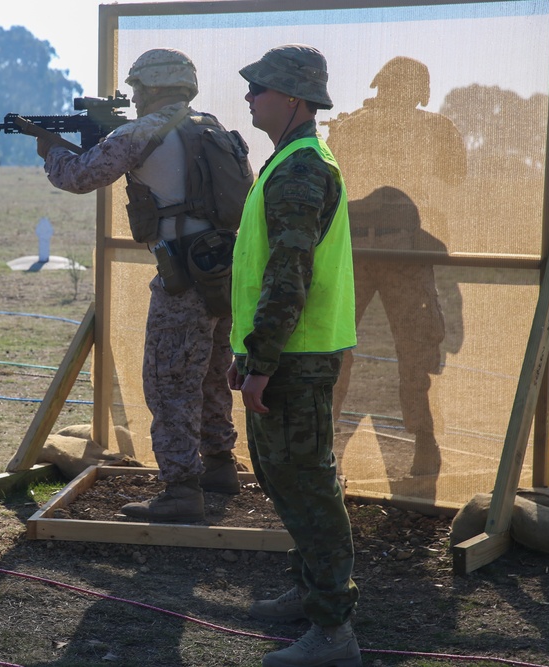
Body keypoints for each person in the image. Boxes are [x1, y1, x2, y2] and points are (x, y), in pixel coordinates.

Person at [38, 48, 245, 522]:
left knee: (169, 381)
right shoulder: (212, 127)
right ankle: (218, 465)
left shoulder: (141, 132)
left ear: (149, 88)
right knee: (213, 371)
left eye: (137, 89)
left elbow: (79, 175)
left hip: (184, 278)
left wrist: (50, 149)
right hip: (224, 269)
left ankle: (180, 490)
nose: (133, 98)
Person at [227, 45, 361, 667]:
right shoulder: (288, 160)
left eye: (260, 88)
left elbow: (289, 274)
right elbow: (268, 268)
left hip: (296, 359)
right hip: (286, 354)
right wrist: (249, 353)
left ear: (294, 100)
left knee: (309, 487)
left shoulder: (301, 169)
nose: (250, 96)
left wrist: (262, 362)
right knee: (287, 479)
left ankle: (333, 632)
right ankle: (312, 594)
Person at [325, 56, 467, 478]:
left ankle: (328, 445)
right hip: (395, 251)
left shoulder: (355, 127)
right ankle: (420, 442)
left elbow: (333, 179)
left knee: (344, 349)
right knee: (410, 350)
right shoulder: (431, 127)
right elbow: (455, 176)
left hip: (370, 251)